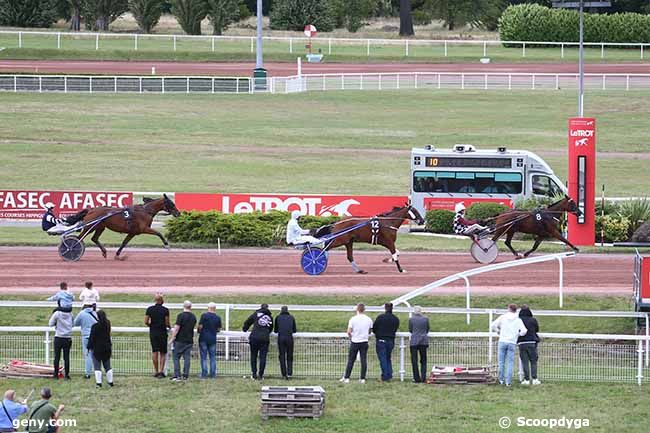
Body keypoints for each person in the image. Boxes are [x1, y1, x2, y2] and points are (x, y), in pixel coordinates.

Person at [491, 304, 527, 386]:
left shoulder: (503, 317)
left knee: (501, 361)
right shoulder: (518, 320)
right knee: (510, 362)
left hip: (502, 340)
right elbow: (524, 331)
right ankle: (508, 381)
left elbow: (493, 325)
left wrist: (498, 331)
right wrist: (517, 334)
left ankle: (501, 380)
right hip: (512, 342)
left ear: (509, 309)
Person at [340, 303, 373, 384]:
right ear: (364, 310)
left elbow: (349, 331)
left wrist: (351, 337)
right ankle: (362, 378)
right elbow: (370, 331)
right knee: (363, 360)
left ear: (357, 309)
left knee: (351, 360)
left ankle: (347, 377)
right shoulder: (369, 319)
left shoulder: (353, 319)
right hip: (364, 341)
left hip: (355, 341)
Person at [242, 303, 273, 380]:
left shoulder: (255, 314)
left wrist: (245, 329)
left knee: (253, 356)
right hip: (265, 339)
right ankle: (261, 375)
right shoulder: (270, 317)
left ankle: (254, 374)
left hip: (254, 337)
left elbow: (247, 322)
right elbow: (271, 328)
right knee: (263, 357)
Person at [169, 300, 197, 381]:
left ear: (183, 306)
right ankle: (185, 375)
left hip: (180, 340)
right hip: (189, 340)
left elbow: (177, 328)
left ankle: (177, 375)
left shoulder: (180, 316)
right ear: (190, 307)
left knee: (176, 357)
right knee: (187, 358)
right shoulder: (193, 317)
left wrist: (172, 338)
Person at [372, 303, 400, 382]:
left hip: (381, 341)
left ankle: (385, 376)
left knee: (383, 359)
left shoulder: (380, 317)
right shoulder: (395, 319)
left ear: (385, 308)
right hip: (391, 341)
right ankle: (389, 374)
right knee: (388, 358)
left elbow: (374, 328)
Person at [145, 294, 170, 378]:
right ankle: (161, 371)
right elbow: (167, 322)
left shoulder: (150, 309)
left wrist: (151, 325)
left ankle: (156, 371)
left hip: (153, 332)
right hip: (162, 332)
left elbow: (146, 321)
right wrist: (169, 327)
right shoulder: (165, 310)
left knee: (154, 351)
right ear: (162, 301)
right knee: (163, 352)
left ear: (155, 300)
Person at [87, 310, 113, 388]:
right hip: (107, 347)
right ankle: (110, 382)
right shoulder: (108, 324)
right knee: (107, 366)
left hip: (97, 349)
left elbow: (92, 338)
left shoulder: (95, 326)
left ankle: (99, 383)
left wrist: (89, 347)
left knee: (97, 366)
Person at [73, 304, 98, 379]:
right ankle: (98, 372)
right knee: (96, 355)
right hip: (96, 336)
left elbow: (75, 323)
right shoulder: (95, 313)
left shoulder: (82, 313)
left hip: (86, 336)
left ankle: (88, 373)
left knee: (88, 355)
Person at [518, 305, 541, 386]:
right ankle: (534, 379)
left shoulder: (518, 320)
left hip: (521, 343)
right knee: (533, 361)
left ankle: (526, 379)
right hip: (532, 342)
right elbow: (537, 329)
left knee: (525, 362)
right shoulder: (533, 320)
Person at [198, 302, 222, 379]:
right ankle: (213, 374)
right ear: (215, 308)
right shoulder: (218, 318)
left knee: (204, 357)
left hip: (203, 338)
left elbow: (200, 326)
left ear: (208, 308)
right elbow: (218, 329)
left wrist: (199, 331)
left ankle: (204, 374)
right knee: (212, 357)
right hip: (212, 339)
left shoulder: (204, 316)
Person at [48, 308, 72, 380]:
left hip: (58, 337)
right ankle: (67, 375)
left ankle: (56, 375)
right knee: (66, 357)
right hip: (67, 337)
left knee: (57, 357)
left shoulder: (57, 314)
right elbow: (72, 324)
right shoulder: (70, 314)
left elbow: (50, 324)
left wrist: (57, 323)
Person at [274, 306, 297, 380]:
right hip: (289, 338)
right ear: (287, 310)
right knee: (290, 356)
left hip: (281, 338)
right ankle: (289, 373)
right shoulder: (291, 317)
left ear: (281, 310)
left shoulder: (278, 317)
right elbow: (294, 330)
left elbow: (275, 330)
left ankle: (284, 374)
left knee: (282, 356)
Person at [408, 306, 430, 383]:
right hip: (423, 341)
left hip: (414, 341)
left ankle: (416, 378)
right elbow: (427, 329)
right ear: (421, 311)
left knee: (414, 360)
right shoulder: (426, 319)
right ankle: (423, 377)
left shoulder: (411, 319)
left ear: (414, 312)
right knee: (423, 360)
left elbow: (410, 330)